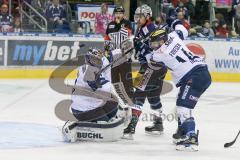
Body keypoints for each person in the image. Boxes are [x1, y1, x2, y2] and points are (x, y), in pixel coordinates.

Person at [137, 17, 211, 151]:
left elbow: (145, 58)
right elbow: (181, 27)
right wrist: (172, 20)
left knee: (183, 107)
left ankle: (191, 137)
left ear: (161, 40)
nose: (153, 46)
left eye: (155, 43)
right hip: (202, 73)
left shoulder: (160, 55)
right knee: (181, 104)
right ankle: (182, 133)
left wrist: (140, 49)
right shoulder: (174, 35)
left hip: (192, 76)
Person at [62, 48, 130, 142]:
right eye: (94, 59)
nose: (97, 62)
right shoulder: (87, 70)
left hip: (93, 104)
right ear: (88, 59)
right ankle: (81, 124)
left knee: (113, 104)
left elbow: (110, 57)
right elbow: (104, 88)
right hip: (83, 109)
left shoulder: (98, 66)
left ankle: (96, 120)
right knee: (104, 121)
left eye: (98, 60)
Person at [123, 4, 168, 139]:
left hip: (151, 66)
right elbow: (140, 48)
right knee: (153, 96)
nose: (137, 18)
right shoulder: (142, 28)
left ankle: (131, 127)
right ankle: (158, 123)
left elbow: (158, 46)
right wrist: (135, 48)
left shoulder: (151, 29)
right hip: (159, 68)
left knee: (138, 95)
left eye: (140, 16)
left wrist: (142, 48)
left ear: (147, 17)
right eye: (136, 16)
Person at [104, 6, 134, 109]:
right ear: (114, 14)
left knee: (127, 82)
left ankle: (132, 102)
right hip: (114, 57)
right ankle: (123, 100)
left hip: (124, 56)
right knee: (115, 81)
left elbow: (126, 35)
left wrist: (118, 24)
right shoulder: (110, 25)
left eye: (120, 13)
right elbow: (107, 40)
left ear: (123, 14)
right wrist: (107, 51)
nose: (118, 14)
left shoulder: (127, 23)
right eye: (116, 12)